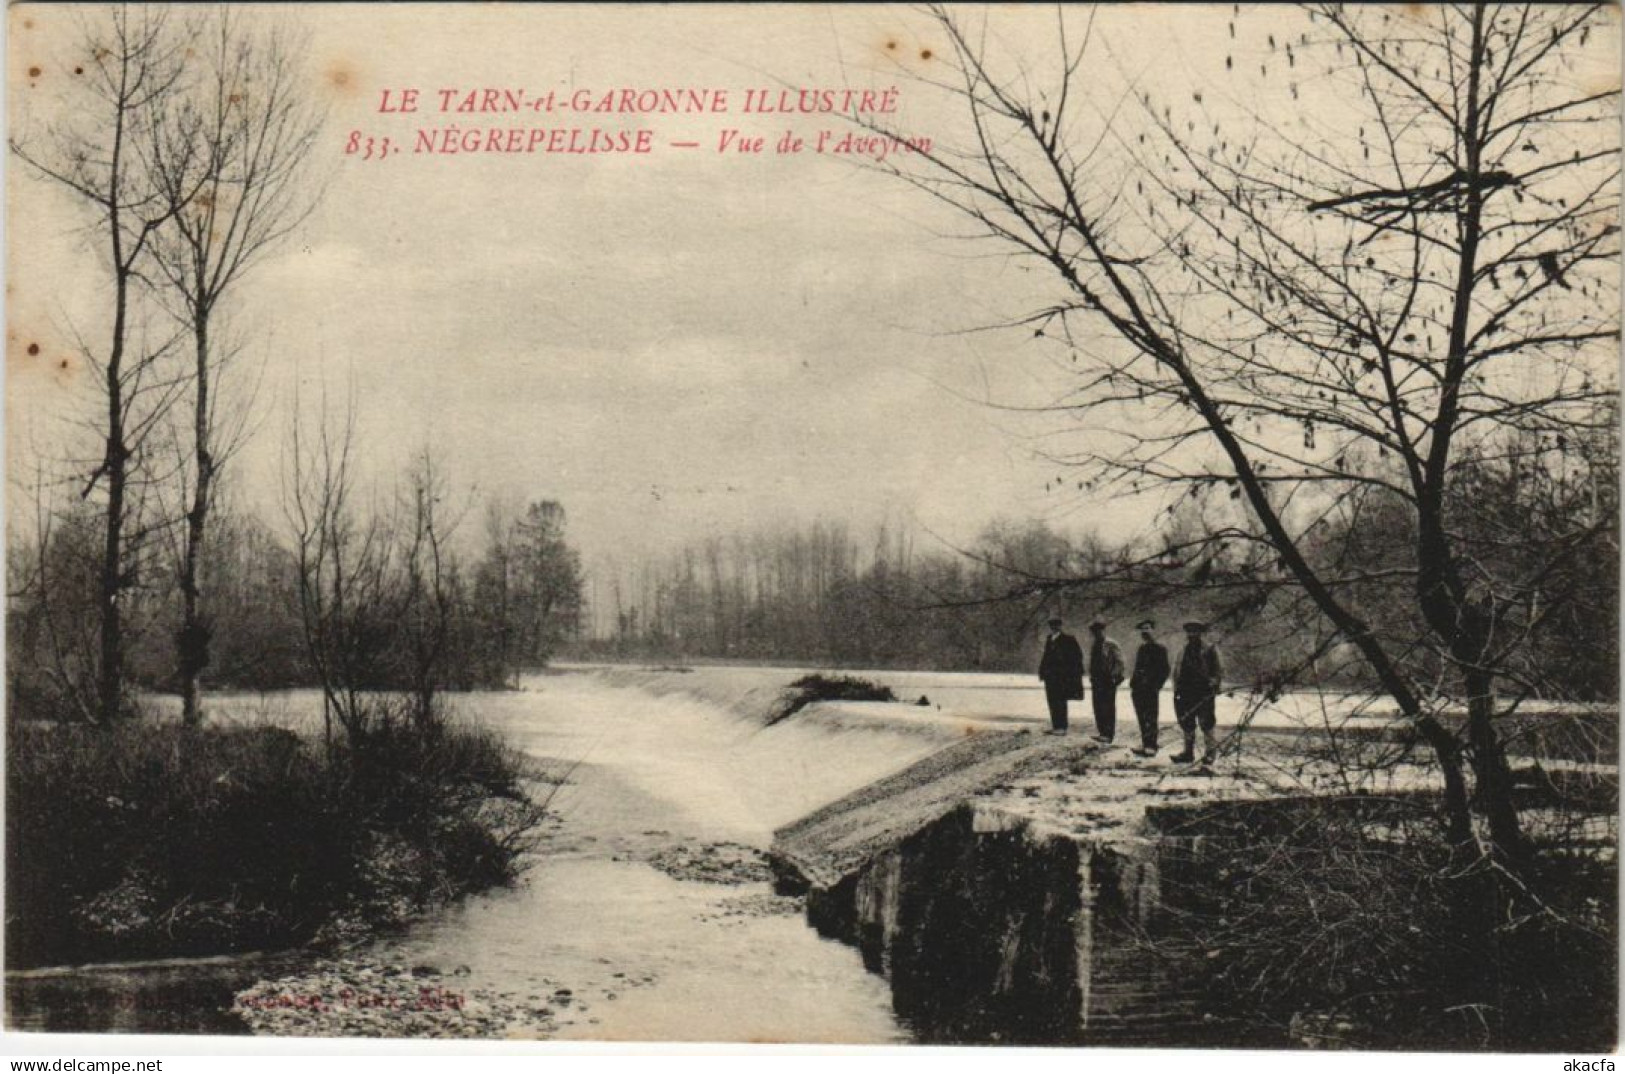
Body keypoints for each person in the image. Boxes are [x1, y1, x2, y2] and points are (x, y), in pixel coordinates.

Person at [1172, 621, 1223, 765]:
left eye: (1195, 632)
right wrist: (1176, 689)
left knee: (1207, 722)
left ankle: (1210, 753)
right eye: (1189, 632)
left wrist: (1214, 684)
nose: (1192, 635)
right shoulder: (1183, 650)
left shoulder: (1209, 649)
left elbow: (1218, 670)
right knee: (1187, 722)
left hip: (1203, 692)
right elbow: (1177, 670)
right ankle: (1188, 753)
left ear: (1201, 633)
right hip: (1185, 691)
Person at [1129, 620, 1170, 757]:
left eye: (1147, 628)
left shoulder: (1160, 649)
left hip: (1151, 690)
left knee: (1151, 717)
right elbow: (1137, 668)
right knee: (1141, 717)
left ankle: (1152, 746)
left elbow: (1165, 670)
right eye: (1142, 629)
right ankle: (1145, 744)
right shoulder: (1142, 648)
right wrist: (1133, 684)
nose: (1144, 631)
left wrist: (1156, 686)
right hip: (1138, 689)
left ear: (1153, 630)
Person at [1037, 616, 1084, 736]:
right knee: (1052, 700)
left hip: (1062, 676)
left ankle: (1062, 727)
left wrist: (1069, 672)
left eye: (1056, 625)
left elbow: (1077, 656)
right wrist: (1042, 671)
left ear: (1060, 626)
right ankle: (1056, 726)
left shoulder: (1068, 639)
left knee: (1060, 700)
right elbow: (1046, 657)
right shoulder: (1049, 639)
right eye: (1052, 625)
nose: (1054, 627)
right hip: (1050, 676)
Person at [1086, 620, 1125, 744]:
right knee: (1097, 706)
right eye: (1094, 631)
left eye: (1098, 630)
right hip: (1096, 679)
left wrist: (1115, 676)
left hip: (1108, 680)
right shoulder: (1095, 644)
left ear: (1103, 630)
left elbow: (1119, 662)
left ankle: (1108, 734)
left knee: (1108, 706)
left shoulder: (1111, 644)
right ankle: (1102, 732)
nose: (1096, 633)